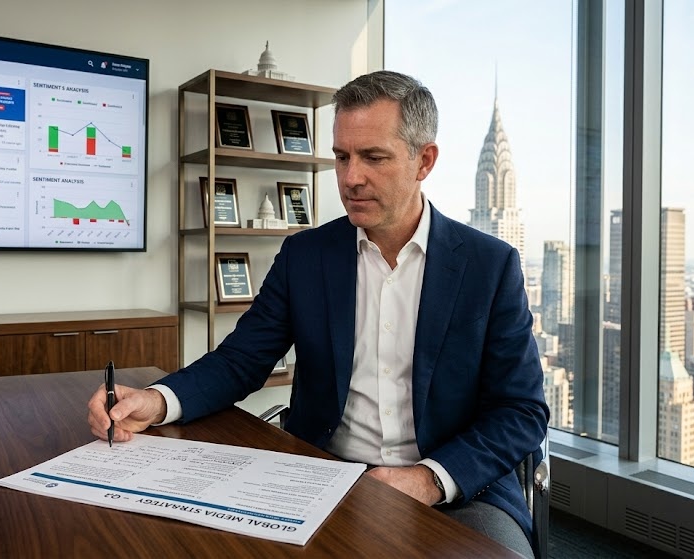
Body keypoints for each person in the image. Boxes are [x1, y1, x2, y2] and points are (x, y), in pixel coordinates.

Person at [87, 70, 549, 557]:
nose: (351, 178)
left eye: (373, 157)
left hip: (457, 491)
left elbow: (520, 410)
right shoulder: (304, 256)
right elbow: (240, 362)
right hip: (323, 480)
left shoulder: (489, 266)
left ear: (424, 160)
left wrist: (428, 480)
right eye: (342, 156)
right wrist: (155, 402)